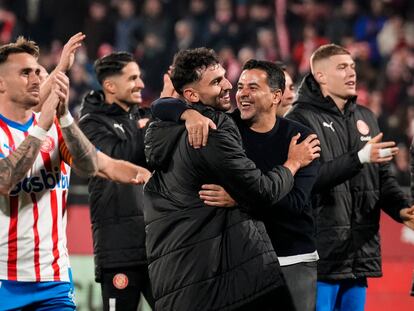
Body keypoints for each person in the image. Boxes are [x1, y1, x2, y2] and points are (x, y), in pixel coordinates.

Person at [144, 47, 319, 311]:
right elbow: (261, 191)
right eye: (221, 82)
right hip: (216, 270)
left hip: (272, 258)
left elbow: (295, 203)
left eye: (251, 86)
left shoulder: (300, 137)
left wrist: (188, 113)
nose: (233, 88)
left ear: (276, 96)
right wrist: (291, 164)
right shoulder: (215, 129)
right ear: (191, 95)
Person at [0, 37, 150, 310]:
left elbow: (95, 165)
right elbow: (5, 181)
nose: (35, 78)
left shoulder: (57, 130)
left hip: (54, 282)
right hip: (3, 281)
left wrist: (64, 118)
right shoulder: (21, 130)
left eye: (37, 72)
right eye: (25, 73)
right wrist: (44, 122)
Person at [286, 43, 414, 311]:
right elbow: (309, 180)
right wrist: (359, 158)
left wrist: (402, 210)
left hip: (357, 256)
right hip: (321, 259)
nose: (351, 73)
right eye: (342, 67)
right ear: (320, 76)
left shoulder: (366, 116)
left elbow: (382, 180)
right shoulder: (300, 118)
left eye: (353, 67)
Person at [78, 52, 154, 311]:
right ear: (110, 86)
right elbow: (117, 161)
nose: (141, 84)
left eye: (140, 76)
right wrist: (143, 130)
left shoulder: (141, 117)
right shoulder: (89, 124)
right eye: (133, 78)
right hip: (119, 251)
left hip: (156, 247)